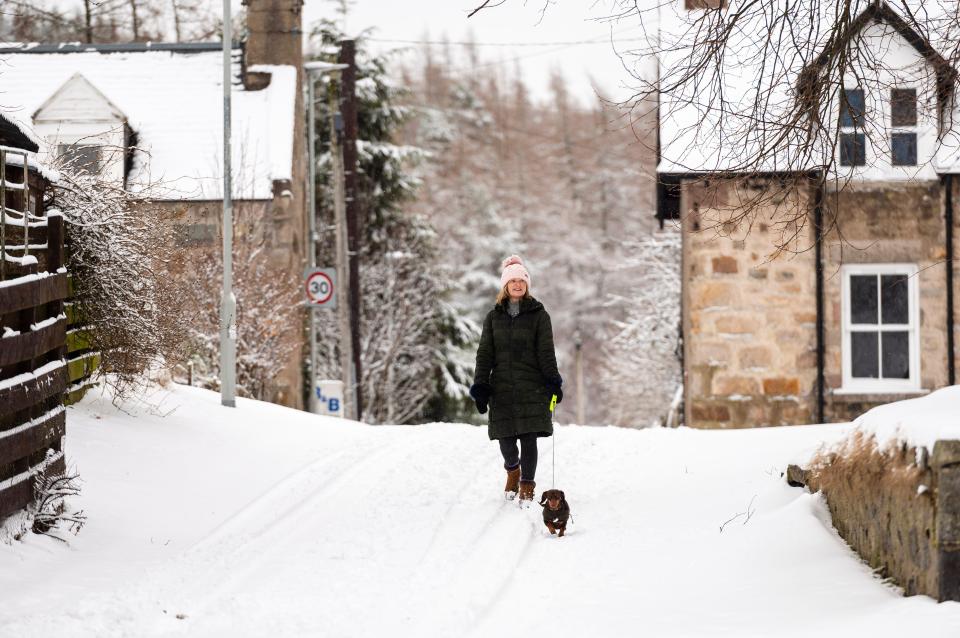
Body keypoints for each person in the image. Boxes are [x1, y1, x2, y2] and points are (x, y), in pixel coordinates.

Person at [470, 255, 563, 503]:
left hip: (531, 387)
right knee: (506, 439)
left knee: (528, 437)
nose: (517, 285)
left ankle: (527, 485)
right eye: (513, 281)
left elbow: (546, 352)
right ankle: (513, 470)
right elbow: (485, 353)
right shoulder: (493, 317)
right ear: (505, 285)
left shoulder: (539, 315)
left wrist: (553, 382)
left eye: (521, 280)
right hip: (501, 387)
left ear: (527, 284)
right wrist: (480, 385)